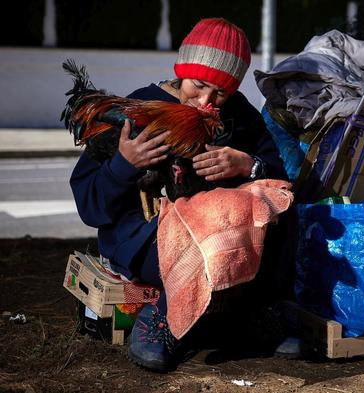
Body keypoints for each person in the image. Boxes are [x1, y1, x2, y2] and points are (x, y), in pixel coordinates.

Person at [70, 18, 290, 372]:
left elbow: (279, 177)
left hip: (221, 233)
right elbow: (89, 204)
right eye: (199, 85)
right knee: (194, 241)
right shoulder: (138, 108)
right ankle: (164, 317)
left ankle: (251, 315)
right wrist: (123, 165)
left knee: (276, 211)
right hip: (147, 238)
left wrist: (248, 164)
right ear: (181, 71)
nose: (207, 100)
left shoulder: (240, 115)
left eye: (221, 92)